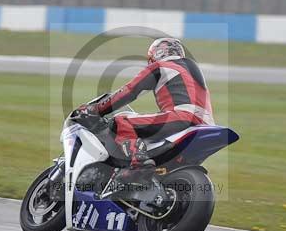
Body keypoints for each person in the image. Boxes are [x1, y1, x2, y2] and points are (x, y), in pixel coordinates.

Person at [78, 37, 214, 175]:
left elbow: (129, 91)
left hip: (184, 117)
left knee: (121, 121)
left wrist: (97, 109)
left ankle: (139, 164)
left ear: (157, 53)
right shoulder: (192, 69)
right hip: (207, 123)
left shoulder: (161, 66)